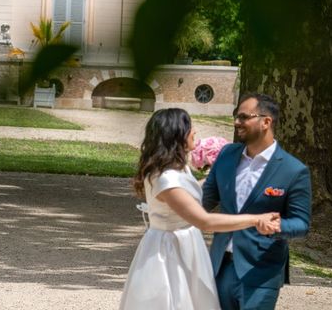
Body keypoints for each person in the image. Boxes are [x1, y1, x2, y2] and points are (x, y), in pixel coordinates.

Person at [119, 108, 280, 310]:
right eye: (189, 127)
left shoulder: (176, 168)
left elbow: (188, 193)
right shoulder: (165, 178)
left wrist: (217, 175)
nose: (195, 131)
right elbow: (204, 221)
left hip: (186, 244)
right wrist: (255, 219)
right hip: (170, 251)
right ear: (177, 134)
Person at [202, 93, 312, 310]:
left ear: (266, 122)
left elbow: (301, 223)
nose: (236, 122)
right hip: (219, 266)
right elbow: (204, 201)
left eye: (243, 117)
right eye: (236, 116)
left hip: (261, 272)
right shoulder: (226, 155)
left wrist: (276, 227)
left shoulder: (294, 170)